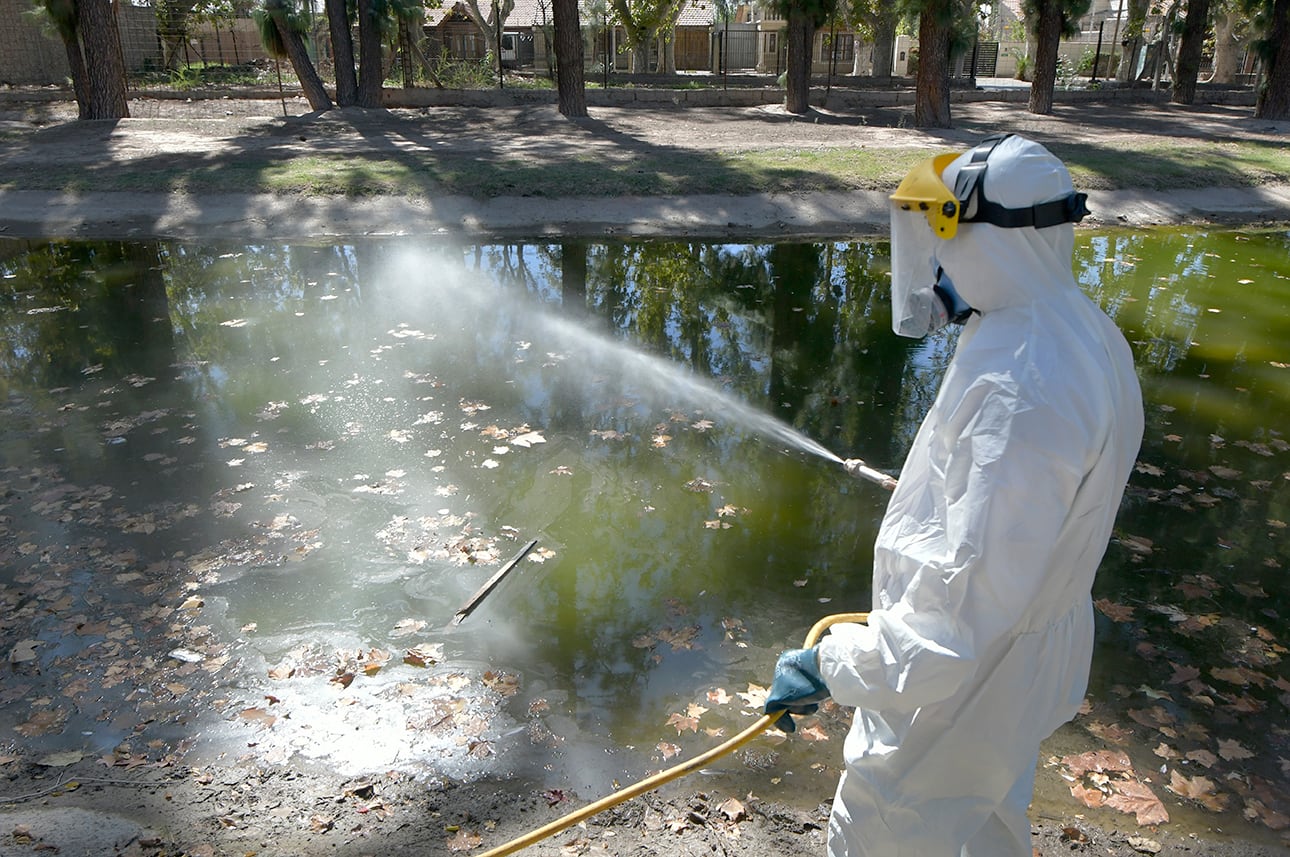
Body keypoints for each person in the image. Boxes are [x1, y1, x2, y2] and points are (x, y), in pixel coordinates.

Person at [765, 133, 1144, 857]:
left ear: (990, 239)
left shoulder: (1020, 389)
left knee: (882, 827)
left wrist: (832, 666)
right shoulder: (1080, 332)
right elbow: (1024, 522)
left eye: (947, 234)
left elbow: (951, 630)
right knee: (985, 816)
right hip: (1022, 663)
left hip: (956, 693)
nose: (939, 262)